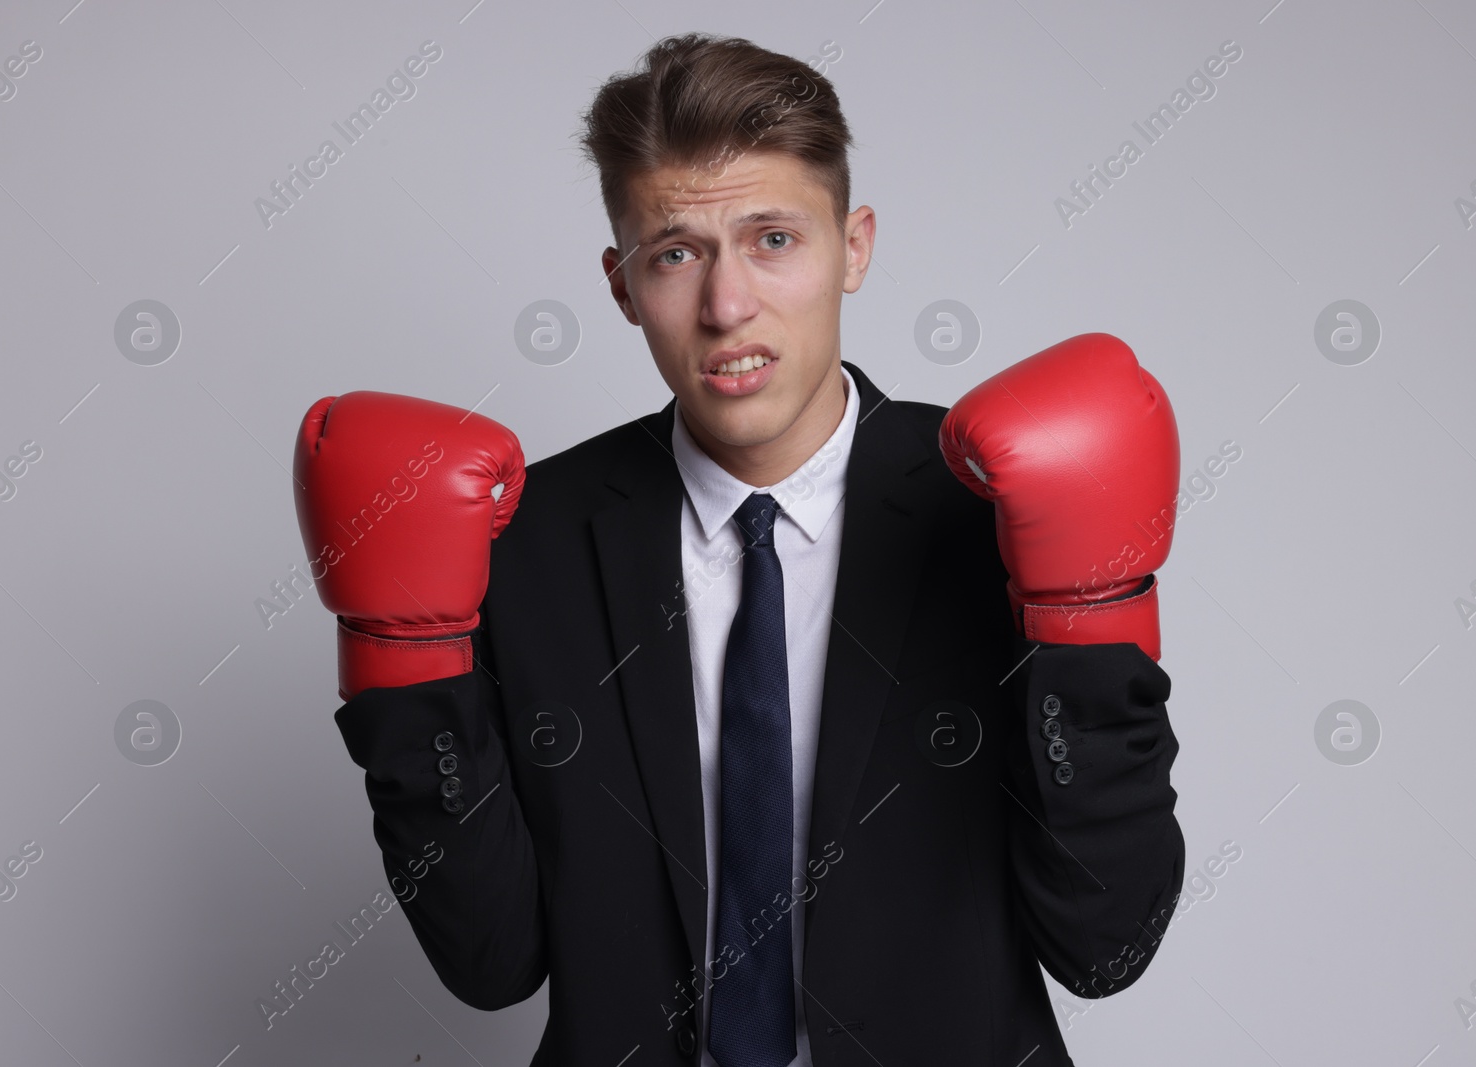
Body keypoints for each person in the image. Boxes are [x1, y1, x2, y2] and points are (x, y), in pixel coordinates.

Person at [293, 32, 1185, 1067]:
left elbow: (1105, 944)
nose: (726, 307)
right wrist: (403, 662)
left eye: (773, 239)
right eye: (675, 252)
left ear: (853, 246)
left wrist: (1094, 625)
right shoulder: (525, 537)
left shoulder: (994, 514)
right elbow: (492, 959)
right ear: (622, 281)